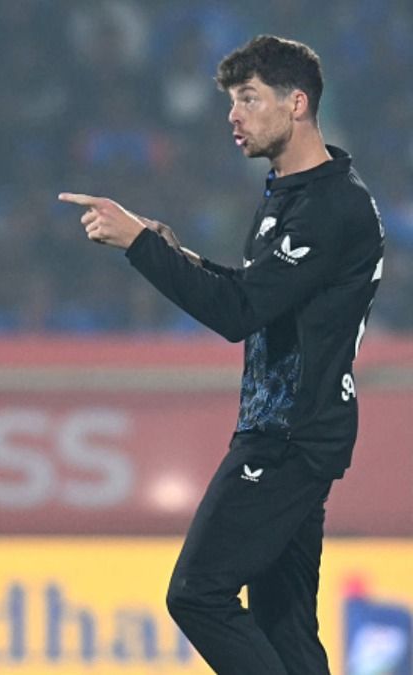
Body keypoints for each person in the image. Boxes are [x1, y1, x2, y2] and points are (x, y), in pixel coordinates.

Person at [59, 35, 383, 674]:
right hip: (291, 429)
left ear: (296, 104)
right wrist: (167, 248)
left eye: (249, 99)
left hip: (289, 436)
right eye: (232, 101)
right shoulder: (292, 195)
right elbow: (258, 293)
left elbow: (238, 313)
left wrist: (139, 247)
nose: (234, 116)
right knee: (285, 628)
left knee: (197, 593)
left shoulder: (331, 206)